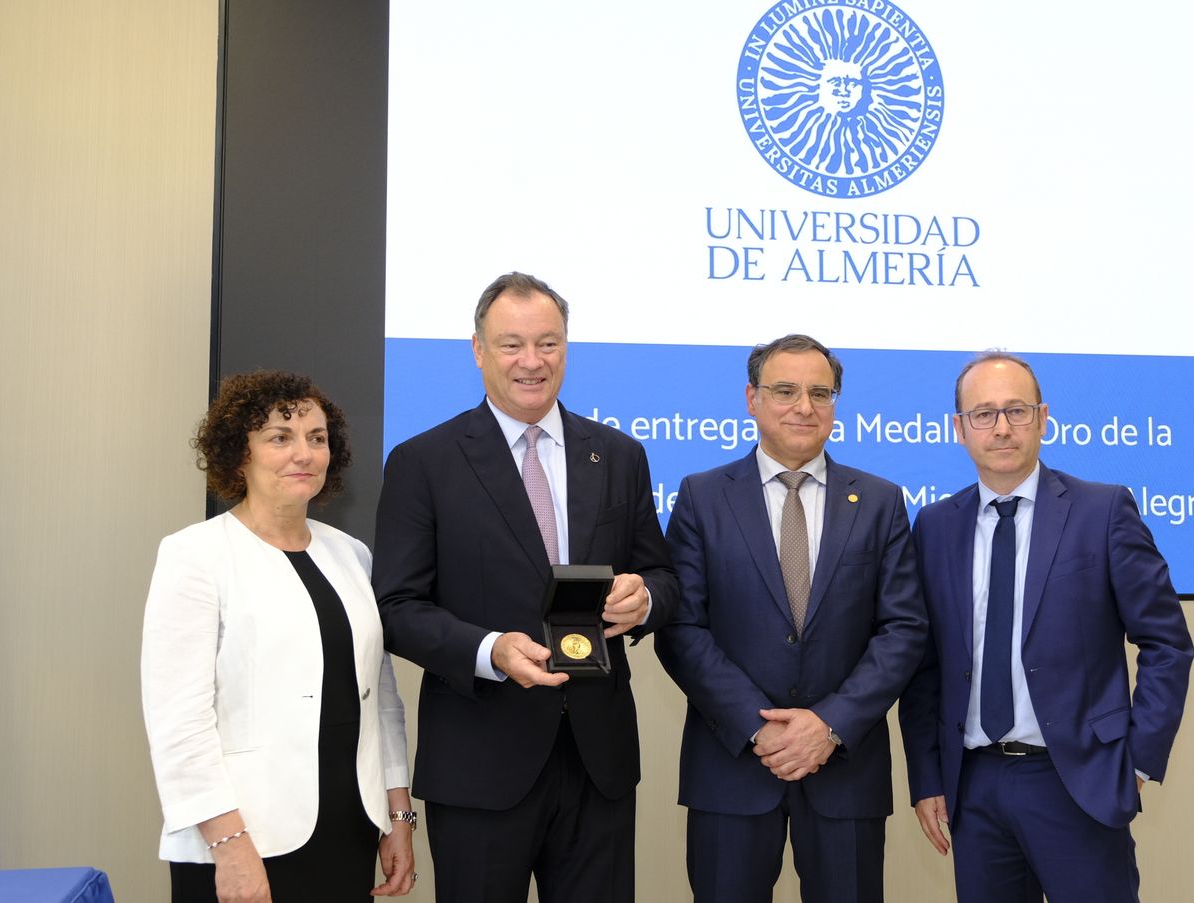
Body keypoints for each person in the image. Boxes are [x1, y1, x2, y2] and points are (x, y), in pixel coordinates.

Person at [372, 272, 679, 903]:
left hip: (599, 764)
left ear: (567, 348)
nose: (532, 362)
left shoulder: (619, 455)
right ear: (478, 350)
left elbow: (665, 577)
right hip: (480, 764)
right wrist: (490, 651)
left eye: (548, 343)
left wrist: (644, 598)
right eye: (512, 344)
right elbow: (396, 607)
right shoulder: (423, 462)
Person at [897, 351, 1194, 903]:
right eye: (983, 414)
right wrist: (928, 777)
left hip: (1078, 779)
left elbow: (1167, 643)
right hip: (975, 786)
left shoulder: (1102, 511)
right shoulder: (935, 526)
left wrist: (1137, 760)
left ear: (1044, 417)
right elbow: (924, 665)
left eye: (1017, 409)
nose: (1002, 427)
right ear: (959, 429)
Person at [656, 334, 926, 902]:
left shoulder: (878, 501)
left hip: (844, 772)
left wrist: (827, 725)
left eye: (820, 393)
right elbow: (681, 630)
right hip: (731, 769)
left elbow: (903, 631)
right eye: (785, 391)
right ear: (752, 399)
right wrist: (761, 728)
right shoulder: (703, 497)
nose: (804, 406)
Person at [141, 371, 416, 902]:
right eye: (279, 438)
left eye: (317, 438)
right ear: (238, 455)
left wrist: (397, 813)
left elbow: (382, 702)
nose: (304, 454)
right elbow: (179, 722)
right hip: (244, 836)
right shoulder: (194, 556)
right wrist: (230, 844)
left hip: (348, 826)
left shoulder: (352, 555)